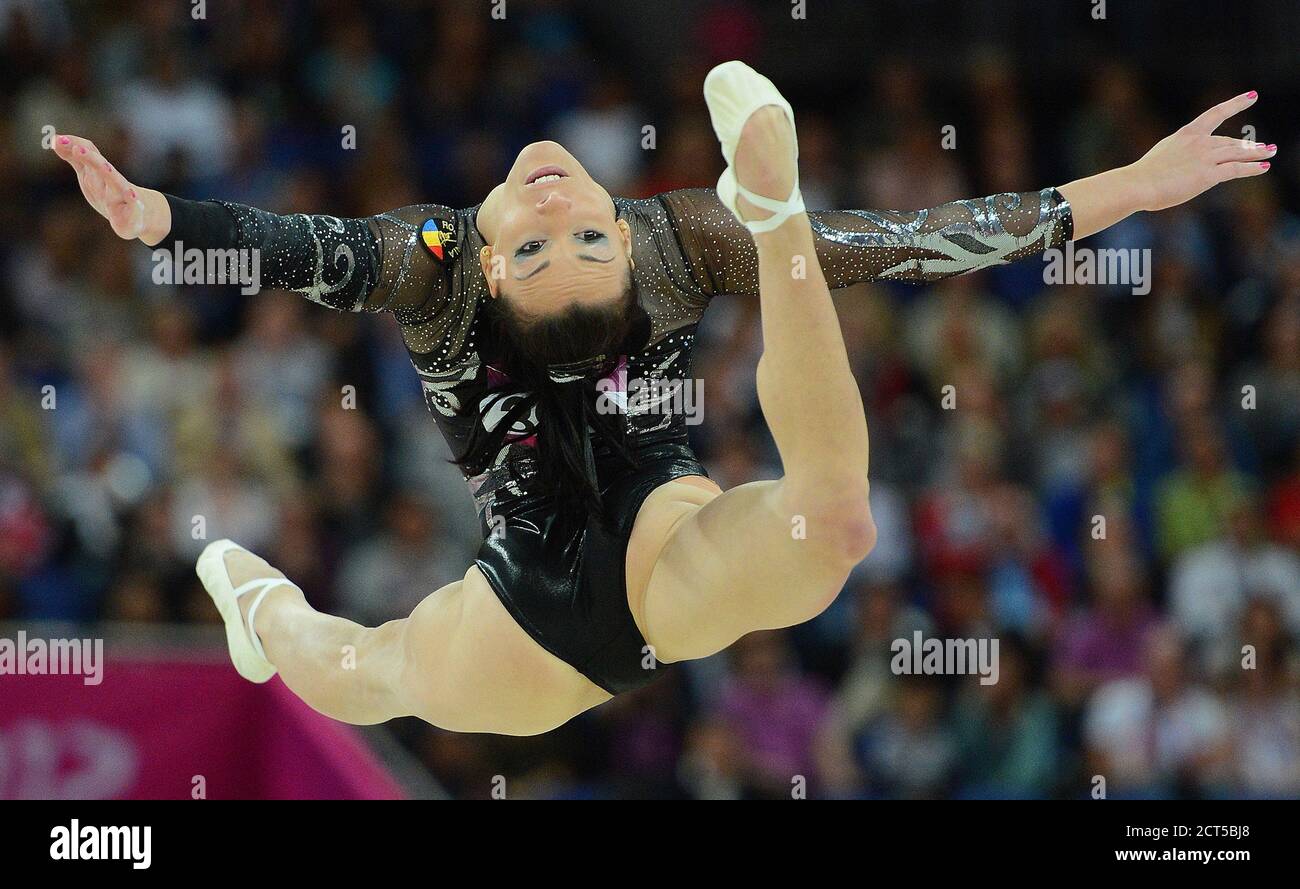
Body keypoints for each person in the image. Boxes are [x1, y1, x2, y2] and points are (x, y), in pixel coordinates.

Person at [55, 62, 1274, 735]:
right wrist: (162, 218)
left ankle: (777, 218)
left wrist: (1132, 185)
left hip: (664, 536)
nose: (544, 213)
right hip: (525, 610)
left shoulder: (662, 238)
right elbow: (293, 241)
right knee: (366, 674)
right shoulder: (435, 264)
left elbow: (922, 239)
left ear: (622, 236)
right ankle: (261, 613)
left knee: (837, 524)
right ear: (482, 268)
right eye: (543, 244)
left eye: (572, 235)